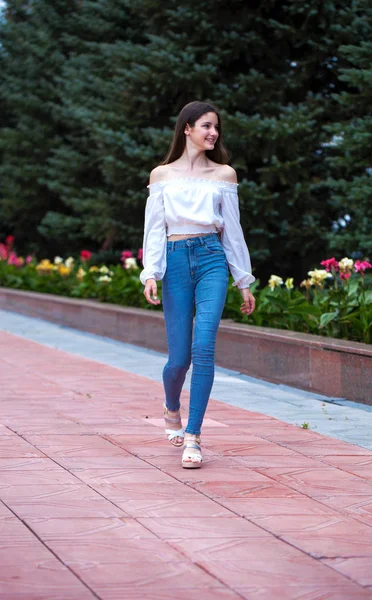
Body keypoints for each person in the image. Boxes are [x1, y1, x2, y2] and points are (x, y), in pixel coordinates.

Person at [140, 101, 256, 469]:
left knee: (204, 347)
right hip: (175, 260)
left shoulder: (224, 175)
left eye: (216, 127)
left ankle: (194, 436)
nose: (214, 133)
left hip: (211, 258)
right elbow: (155, 228)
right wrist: (151, 272)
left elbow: (233, 232)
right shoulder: (161, 175)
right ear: (186, 128)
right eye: (206, 126)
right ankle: (171, 406)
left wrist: (243, 280)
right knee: (179, 360)